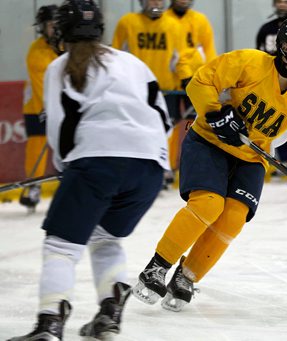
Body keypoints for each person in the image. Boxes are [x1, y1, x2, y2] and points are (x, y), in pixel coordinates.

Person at [132, 15, 287, 312]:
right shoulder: (248, 63)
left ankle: (186, 277)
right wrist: (215, 113)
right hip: (208, 142)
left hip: (252, 157)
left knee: (234, 217)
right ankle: (157, 267)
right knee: (208, 205)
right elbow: (200, 83)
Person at [9, 0, 170, 340]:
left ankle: (49, 323)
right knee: (104, 237)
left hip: (98, 163)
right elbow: (164, 119)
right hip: (150, 170)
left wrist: (70, 166)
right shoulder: (132, 62)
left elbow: (59, 128)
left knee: (61, 246)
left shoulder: (61, 66)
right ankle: (109, 315)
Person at [112, 0, 194, 187]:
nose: (156, 2)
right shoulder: (128, 23)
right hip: (134, 89)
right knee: (133, 130)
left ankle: (161, 167)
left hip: (165, 91)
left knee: (165, 130)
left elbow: (179, 58)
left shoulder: (173, 25)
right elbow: (116, 55)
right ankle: (133, 168)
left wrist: (187, 79)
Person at [163, 0, 218, 178]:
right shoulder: (164, 20)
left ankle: (191, 166)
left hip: (195, 82)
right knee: (168, 125)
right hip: (169, 83)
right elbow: (171, 54)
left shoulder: (200, 20)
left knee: (193, 125)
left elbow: (208, 50)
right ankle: (167, 166)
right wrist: (182, 74)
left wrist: (210, 79)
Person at [19, 4, 60, 211]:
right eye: (50, 25)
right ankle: (33, 187)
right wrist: (48, 108)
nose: (54, 28)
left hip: (60, 107)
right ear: (43, 27)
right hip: (36, 108)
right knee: (36, 150)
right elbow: (39, 84)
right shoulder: (37, 50)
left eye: (57, 24)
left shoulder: (66, 46)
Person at [256, 0, 287, 173]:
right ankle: (276, 159)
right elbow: (260, 57)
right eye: (280, 1)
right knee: (270, 120)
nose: (283, 5)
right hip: (269, 83)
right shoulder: (265, 29)